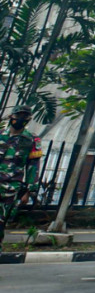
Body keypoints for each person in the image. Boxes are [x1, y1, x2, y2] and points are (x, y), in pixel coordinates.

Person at [0, 106, 41, 254]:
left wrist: (29, 191)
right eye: (19, 115)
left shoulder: (31, 140)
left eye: (25, 116)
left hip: (10, 190)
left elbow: (33, 167)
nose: (21, 119)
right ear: (12, 116)